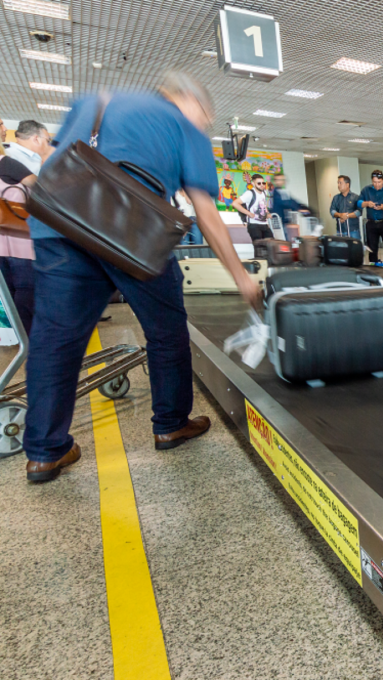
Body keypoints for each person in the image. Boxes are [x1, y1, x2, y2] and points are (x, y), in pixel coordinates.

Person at [24, 71, 260, 483]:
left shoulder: (98, 99)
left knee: (55, 340)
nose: (203, 121)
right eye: (205, 115)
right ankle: (170, 424)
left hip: (61, 227)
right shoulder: (188, 126)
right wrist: (240, 276)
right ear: (192, 103)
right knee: (166, 331)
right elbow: (204, 209)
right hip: (131, 231)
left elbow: (57, 160)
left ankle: (45, 452)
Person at [0, 121, 52, 335]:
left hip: (3, 238)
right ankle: (32, 336)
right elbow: (42, 189)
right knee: (26, 287)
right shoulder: (8, 163)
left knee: (11, 289)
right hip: (19, 236)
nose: (4, 129)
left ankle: (23, 336)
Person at [358, 170, 383, 264]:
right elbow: (358, 203)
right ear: (371, 180)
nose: (377, 184)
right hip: (371, 223)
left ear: (382, 180)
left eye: (379, 182)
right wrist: (367, 203)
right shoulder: (366, 190)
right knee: (372, 248)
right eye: (374, 182)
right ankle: (373, 266)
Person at [232, 173, 272, 241]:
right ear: (253, 184)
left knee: (271, 245)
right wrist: (249, 213)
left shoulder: (264, 193)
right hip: (254, 225)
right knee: (259, 247)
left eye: (263, 183)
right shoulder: (249, 193)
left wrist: (267, 212)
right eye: (259, 183)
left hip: (264, 224)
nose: (262, 185)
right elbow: (235, 203)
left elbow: (263, 205)